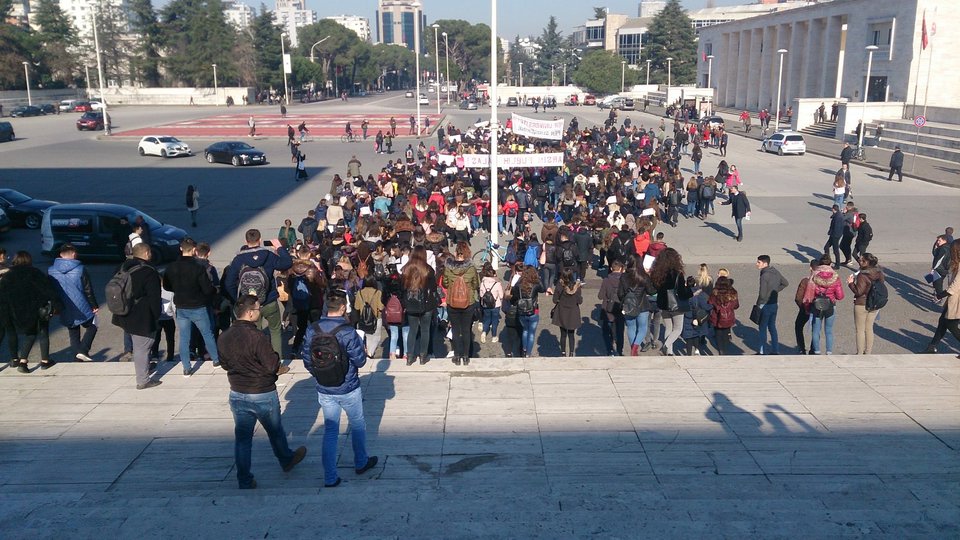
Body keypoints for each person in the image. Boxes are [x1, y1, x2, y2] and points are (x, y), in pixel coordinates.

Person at [219, 295, 307, 489]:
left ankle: (244, 478)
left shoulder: (224, 336)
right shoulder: (257, 337)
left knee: (243, 439)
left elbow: (225, 364)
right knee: (275, 431)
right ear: (250, 313)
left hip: (237, 392)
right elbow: (271, 365)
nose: (260, 313)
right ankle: (286, 459)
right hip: (262, 392)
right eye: (258, 309)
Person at [301, 291, 378, 488]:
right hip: (349, 387)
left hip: (325, 388)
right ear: (343, 308)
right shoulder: (347, 331)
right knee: (358, 424)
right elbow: (360, 361)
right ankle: (361, 462)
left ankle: (330, 476)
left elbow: (307, 360)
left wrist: (320, 374)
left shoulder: (313, 329)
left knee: (330, 431)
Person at [224, 229, 293, 356]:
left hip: (249, 304)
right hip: (269, 300)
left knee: (254, 334)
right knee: (275, 331)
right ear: (260, 240)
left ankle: (258, 360)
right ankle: (276, 361)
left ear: (246, 241)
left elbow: (229, 283)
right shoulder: (268, 255)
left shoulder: (239, 259)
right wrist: (279, 247)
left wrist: (239, 299)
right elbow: (287, 263)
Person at [162, 237, 220, 376]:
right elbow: (207, 289)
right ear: (194, 250)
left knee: (184, 337)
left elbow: (166, 286)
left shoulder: (172, 267)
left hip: (181, 306)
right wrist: (214, 290)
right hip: (198, 306)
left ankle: (187, 368)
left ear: (181, 249)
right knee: (207, 333)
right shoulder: (198, 267)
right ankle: (216, 360)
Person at [110, 243, 162, 389]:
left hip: (123, 313)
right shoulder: (148, 271)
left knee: (139, 345)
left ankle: (144, 368)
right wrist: (156, 315)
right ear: (146, 253)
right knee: (142, 347)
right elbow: (154, 297)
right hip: (141, 316)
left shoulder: (122, 267)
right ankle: (143, 380)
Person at [0, 251, 61, 373]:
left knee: (30, 334)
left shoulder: (9, 276)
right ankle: (45, 361)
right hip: (38, 309)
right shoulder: (35, 273)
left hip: (19, 311)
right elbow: (48, 290)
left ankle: (22, 362)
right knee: (43, 333)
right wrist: (57, 305)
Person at [48, 244, 99, 363]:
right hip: (82, 304)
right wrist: (94, 305)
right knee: (93, 326)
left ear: (60, 255)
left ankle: (78, 357)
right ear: (74, 254)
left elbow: (50, 290)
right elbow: (88, 289)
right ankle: (83, 350)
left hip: (64, 305)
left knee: (73, 331)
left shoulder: (51, 270)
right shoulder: (80, 269)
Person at [442, 242, 479, 365]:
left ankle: (457, 355)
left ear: (456, 253)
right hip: (468, 302)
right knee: (466, 330)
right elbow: (475, 284)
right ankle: (466, 356)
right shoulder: (471, 268)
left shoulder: (448, 267)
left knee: (456, 329)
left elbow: (445, 284)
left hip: (452, 302)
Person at [650, 248, 690, 356]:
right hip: (675, 304)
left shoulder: (657, 273)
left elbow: (654, 288)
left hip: (663, 304)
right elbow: (682, 293)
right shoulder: (677, 274)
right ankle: (666, 346)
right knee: (677, 329)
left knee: (668, 327)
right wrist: (689, 290)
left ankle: (669, 352)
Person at [402, 247, 438, 365]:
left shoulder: (406, 269)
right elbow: (433, 288)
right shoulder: (428, 270)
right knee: (425, 330)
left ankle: (410, 356)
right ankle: (423, 356)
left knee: (412, 330)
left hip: (411, 303)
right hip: (427, 304)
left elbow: (401, 288)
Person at [924, 239, 960, 356]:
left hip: (957, 300)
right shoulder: (956, 264)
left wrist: (940, 294)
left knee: (951, 324)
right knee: (942, 322)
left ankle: (932, 346)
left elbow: (955, 286)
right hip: (953, 299)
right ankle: (932, 346)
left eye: (952, 249)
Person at [803, 253, 845, 355]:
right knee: (829, 330)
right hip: (830, 305)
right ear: (830, 264)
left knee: (816, 330)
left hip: (816, 305)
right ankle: (829, 351)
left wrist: (807, 308)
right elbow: (840, 296)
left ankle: (817, 351)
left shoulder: (814, 276)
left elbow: (809, 294)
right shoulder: (835, 277)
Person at [847, 253, 885, 354]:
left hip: (862, 303)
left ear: (865, 262)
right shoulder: (879, 272)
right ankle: (868, 352)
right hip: (874, 303)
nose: (859, 261)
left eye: (860, 260)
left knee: (860, 330)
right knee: (869, 328)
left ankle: (859, 352)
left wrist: (851, 283)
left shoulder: (862, 275)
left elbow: (859, 291)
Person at [755, 255, 789, 355]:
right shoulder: (775, 271)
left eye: (759, 262)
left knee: (762, 327)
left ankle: (762, 351)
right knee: (772, 327)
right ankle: (775, 349)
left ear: (765, 263)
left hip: (765, 304)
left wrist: (758, 304)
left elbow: (762, 294)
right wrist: (775, 291)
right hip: (774, 303)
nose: (756, 264)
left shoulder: (764, 275)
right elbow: (785, 283)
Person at [511, 266, 544, 357]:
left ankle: (524, 349)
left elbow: (513, 294)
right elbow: (543, 289)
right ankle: (528, 353)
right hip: (534, 310)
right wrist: (538, 279)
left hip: (521, 311)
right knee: (531, 333)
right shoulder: (535, 285)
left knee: (525, 330)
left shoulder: (518, 285)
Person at [551, 268, 583, 357]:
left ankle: (563, 352)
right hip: (573, 312)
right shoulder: (576, 286)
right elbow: (579, 301)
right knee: (571, 334)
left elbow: (554, 300)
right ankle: (571, 352)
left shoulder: (559, 285)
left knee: (563, 334)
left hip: (562, 311)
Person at [599, 259, 625, 356]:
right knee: (619, 331)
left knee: (606, 331)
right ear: (621, 269)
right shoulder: (623, 280)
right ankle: (619, 350)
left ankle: (609, 350)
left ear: (611, 268)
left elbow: (600, 296)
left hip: (607, 309)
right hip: (620, 308)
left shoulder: (606, 280)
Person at [681, 276, 712, 355]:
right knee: (696, 334)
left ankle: (688, 353)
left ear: (686, 284)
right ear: (695, 284)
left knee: (688, 336)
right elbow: (706, 306)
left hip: (687, 316)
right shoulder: (701, 294)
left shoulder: (684, 294)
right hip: (699, 316)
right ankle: (697, 349)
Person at [708, 276, 738, 355]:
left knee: (718, 334)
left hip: (716, 317)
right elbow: (736, 306)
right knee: (725, 333)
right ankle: (725, 349)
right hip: (728, 316)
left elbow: (710, 303)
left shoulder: (715, 292)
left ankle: (721, 350)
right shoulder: (733, 293)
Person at [793, 260, 816, 355]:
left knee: (798, 326)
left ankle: (801, 348)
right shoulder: (822, 281)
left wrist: (802, 308)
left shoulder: (805, 281)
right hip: (818, 308)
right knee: (816, 329)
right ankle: (814, 349)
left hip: (805, 307)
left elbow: (798, 297)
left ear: (810, 267)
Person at [478, 264, 503, 345]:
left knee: (487, 319)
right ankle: (494, 336)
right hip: (495, 305)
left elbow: (481, 295)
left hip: (486, 305)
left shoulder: (483, 283)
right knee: (494, 321)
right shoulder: (497, 284)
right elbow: (501, 296)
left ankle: (484, 332)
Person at [824, 205, 844, 269]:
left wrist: (833, 235)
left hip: (835, 236)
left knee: (835, 250)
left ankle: (837, 264)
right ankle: (827, 261)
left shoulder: (838, 217)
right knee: (826, 247)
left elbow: (836, 228)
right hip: (833, 235)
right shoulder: (837, 214)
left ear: (833, 209)